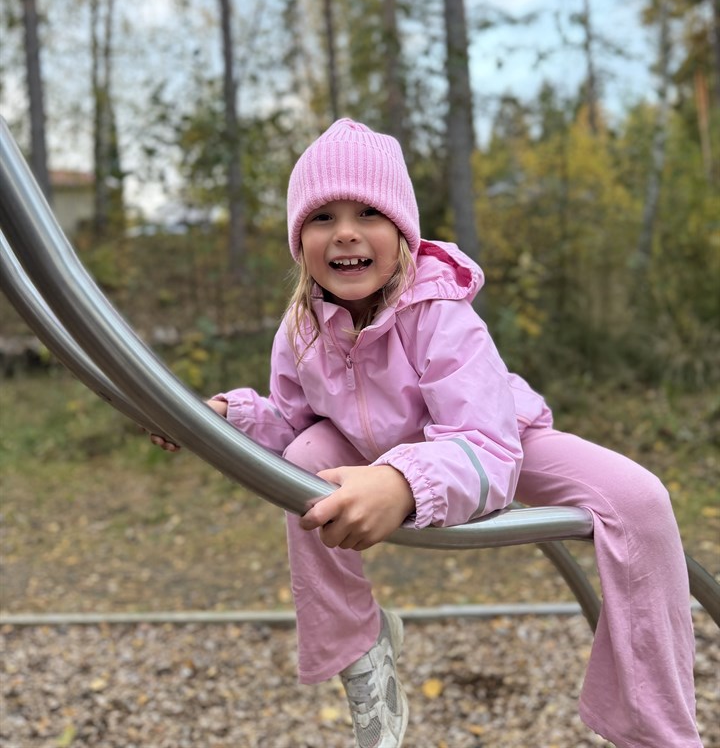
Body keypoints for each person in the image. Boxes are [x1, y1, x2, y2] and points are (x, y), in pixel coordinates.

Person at [150, 118, 701, 748]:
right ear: (299, 240)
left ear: (402, 233)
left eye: (368, 213)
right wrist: (221, 419)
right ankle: (361, 645)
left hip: (490, 438)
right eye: (323, 217)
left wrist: (401, 482)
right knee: (302, 460)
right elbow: (292, 420)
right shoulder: (302, 329)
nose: (346, 231)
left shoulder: (438, 312)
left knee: (639, 498)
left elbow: (488, 444)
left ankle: (653, 723)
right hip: (374, 451)